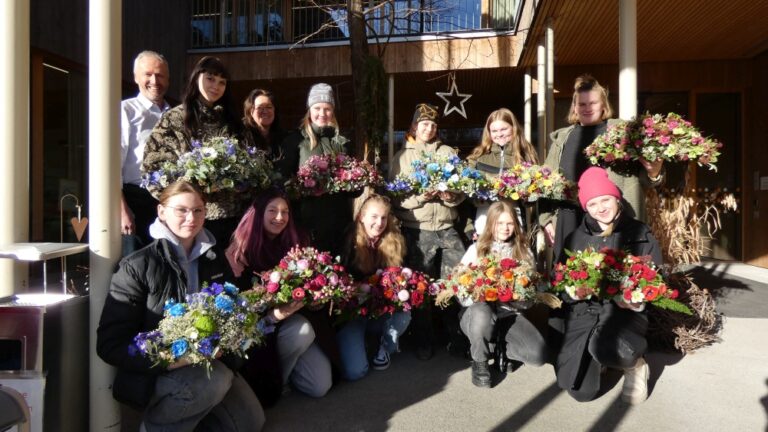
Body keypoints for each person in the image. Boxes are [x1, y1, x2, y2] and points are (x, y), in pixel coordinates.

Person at [96, 180, 265, 431]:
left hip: (207, 362)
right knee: (214, 383)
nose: (191, 218)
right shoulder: (137, 265)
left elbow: (233, 307)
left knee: (250, 423)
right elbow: (110, 345)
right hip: (158, 370)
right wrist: (174, 360)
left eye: (198, 210)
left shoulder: (214, 257)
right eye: (181, 210)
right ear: (161, 212)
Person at [552, 167, 661, 404]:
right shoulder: (575, 238)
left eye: (605, 200)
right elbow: (559, 279)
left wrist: (635, 297)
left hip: (623, 313)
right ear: (585, 208)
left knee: (610, 349)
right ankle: (597, 355)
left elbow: (654, 276)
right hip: (585, 312)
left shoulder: (638, 232)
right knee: (580, 392)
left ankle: (635, 364)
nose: (600, 208)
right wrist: (573, 291)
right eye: (592, 204)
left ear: (616, 198)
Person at [539, 74, 664, 263]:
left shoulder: (623, 133)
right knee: (570, 276)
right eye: (582, 104)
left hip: (616, 219)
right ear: (574, 108)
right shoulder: (562, 140)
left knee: (620, 274)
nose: (587, 108)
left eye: (593, 103)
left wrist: (654, 171)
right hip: (569, 218)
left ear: (603, 105)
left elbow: (648, 178)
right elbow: (545, 182)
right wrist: (546, 219)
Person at [226, 189, 335, 401]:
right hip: (264, 326)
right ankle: (278, 381)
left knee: (319, 386)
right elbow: (240, 303)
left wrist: (317, 299)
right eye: (272, 210)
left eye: (285, 211)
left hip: (296, 318)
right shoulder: (240, 250)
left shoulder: (297, 243)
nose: (280, 217)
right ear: (258, 214)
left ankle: (287, 368)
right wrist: (273, 313)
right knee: (300, 331)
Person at [389, 103, 466, 360]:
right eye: (423, 124)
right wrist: (421, 197)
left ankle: (456, 337)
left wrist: (449, 195)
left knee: (456, 284)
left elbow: (461, 193)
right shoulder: (402, 157)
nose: (429, 128)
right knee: (420, 288)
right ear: (413, 126)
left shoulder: (448, 152)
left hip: (447, 227)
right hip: (417, 229)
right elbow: (396, 199)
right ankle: (424, 339)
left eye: (433, 125)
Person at [142, 56, 243, 249]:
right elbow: (151, 169)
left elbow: (246, 166)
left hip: (231, 218)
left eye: (222, 82)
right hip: (189, 221)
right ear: (197, 78)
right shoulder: (175, 119)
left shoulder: (232, 122)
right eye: (210, 79)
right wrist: (183, 198)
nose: (216, 86)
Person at [458, 201, 548, 387]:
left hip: (509, 312)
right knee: (482, 313)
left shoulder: (524, 253)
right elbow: (460, 292)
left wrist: (517, 296)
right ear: (490, 224)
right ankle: (480, 361)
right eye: (500, 223)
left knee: (537, 355)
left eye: (509, 223)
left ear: (516, 224)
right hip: (477, 314)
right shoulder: (476, 250)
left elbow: (530, 298)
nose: (505, 228)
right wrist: (479, 292)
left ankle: (499, 347)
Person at [336, 193, 411, 380]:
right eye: (374, 217)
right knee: (356, 372)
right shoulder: (348, 241)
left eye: (384, 218)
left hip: (381, 309)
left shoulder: (394, 241)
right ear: (362, 217)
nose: (379, 223)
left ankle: (384, 345)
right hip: (353, 312)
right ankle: (363, 343)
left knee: (404, 312)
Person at [281, 83, 352, 256]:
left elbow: (352, 189)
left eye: (327, 109)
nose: (322, 113)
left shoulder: (341, 142)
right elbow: (283, 180)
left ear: (333, 111)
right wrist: (302, 187)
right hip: (306, 221)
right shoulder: (296, 141)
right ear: (309, 109)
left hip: (338, 222)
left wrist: (354, 183)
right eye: (317, 108)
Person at [120, 51, 170, 249]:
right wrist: (122, 209)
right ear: (136, 77)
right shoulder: (126, 111)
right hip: (135, 200)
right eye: (148, 74)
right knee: (135, 266)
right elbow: (111, 166)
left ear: (168, 79)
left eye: (160, 75)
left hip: (166, 201)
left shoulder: (175, 115)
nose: (154, 80)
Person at [466, 108, 538, 235]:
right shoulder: (478, 156)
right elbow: (467, 194)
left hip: (513, 218)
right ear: (488, 132)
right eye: (494, 131)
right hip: (484, 217)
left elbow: (533, 198)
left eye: (504, 129)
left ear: (513, 128)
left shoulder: (525, 155)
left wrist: (526, 194)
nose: (499, 134)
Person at [241, 89, 289, 178]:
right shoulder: (241, 137)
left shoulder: (284, 138)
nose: (265, 111)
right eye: (260, 107)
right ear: (251, 111)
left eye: (269, 107)